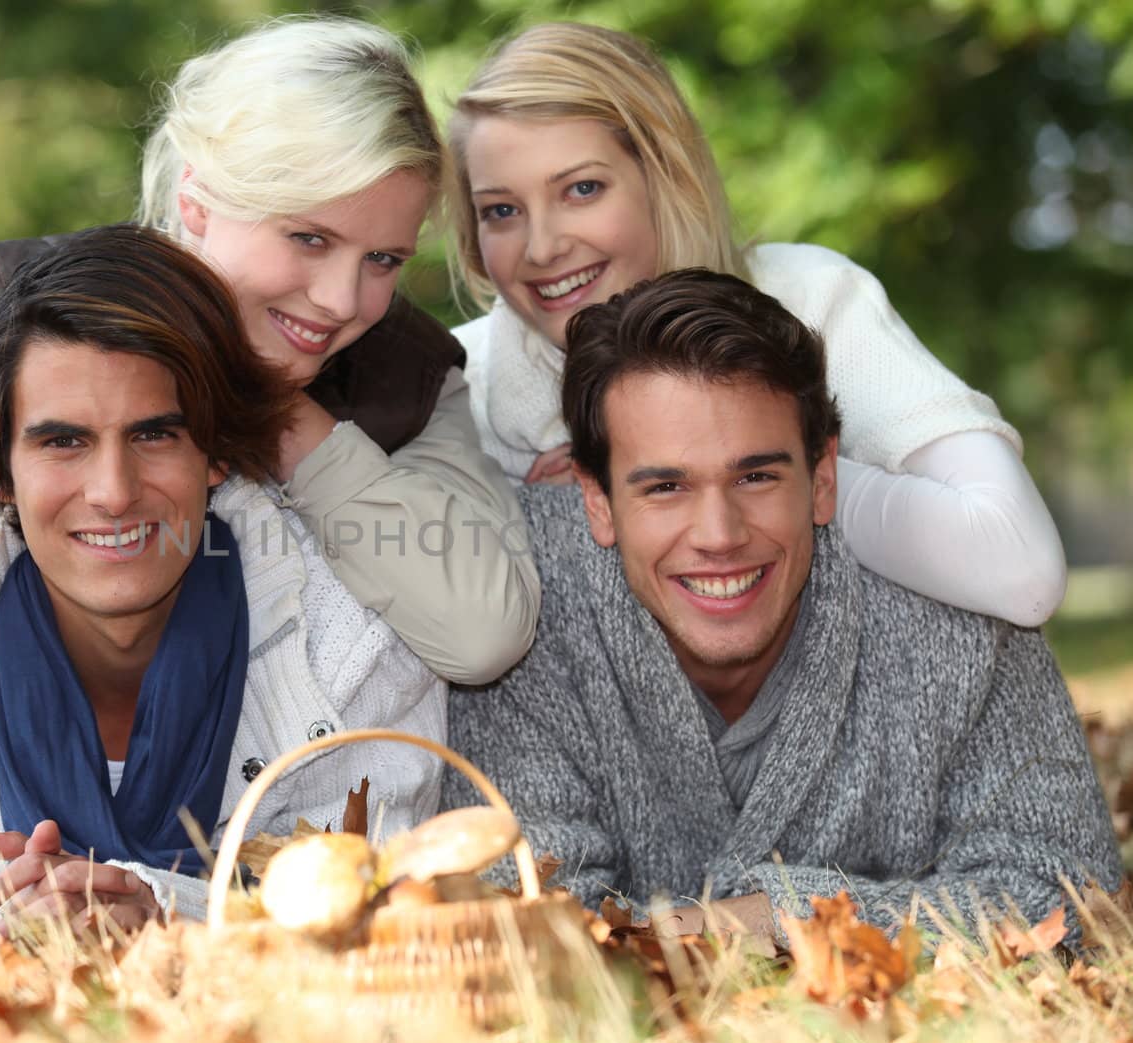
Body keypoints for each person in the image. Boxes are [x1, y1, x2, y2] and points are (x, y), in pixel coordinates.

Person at [0, 17, 537, 685]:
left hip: (272, 815)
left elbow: (485, 634)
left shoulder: (409, 374)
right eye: (309, 237)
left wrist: (274, 421)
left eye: (384, 260)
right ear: (196, 203)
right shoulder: (12, 300)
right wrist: (77, 473)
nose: (343, 301)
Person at [0, 226, 449, 952]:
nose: (113, 492)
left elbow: (385, 916)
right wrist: (18, 936)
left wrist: (159, 914)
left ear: (218, 451)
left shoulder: (352, 639)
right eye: (62, 441)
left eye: (155, 436)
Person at [443, 269, 1120, 935]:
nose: (720, 535)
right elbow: (520, 917)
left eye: (757, 475)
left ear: (823, 476)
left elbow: (1068, 891)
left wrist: (771, 917)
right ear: (598, 500)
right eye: (665, 488)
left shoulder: (954, 614)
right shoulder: (521, 610)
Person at [445, 21, 1065, 627]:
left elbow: (1020, 568)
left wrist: (775, 479)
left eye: (581, 189)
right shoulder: (458, 385)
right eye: (501, 210)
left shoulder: (813, 300)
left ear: (665, 177)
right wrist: (531, 515)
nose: (543, 247)